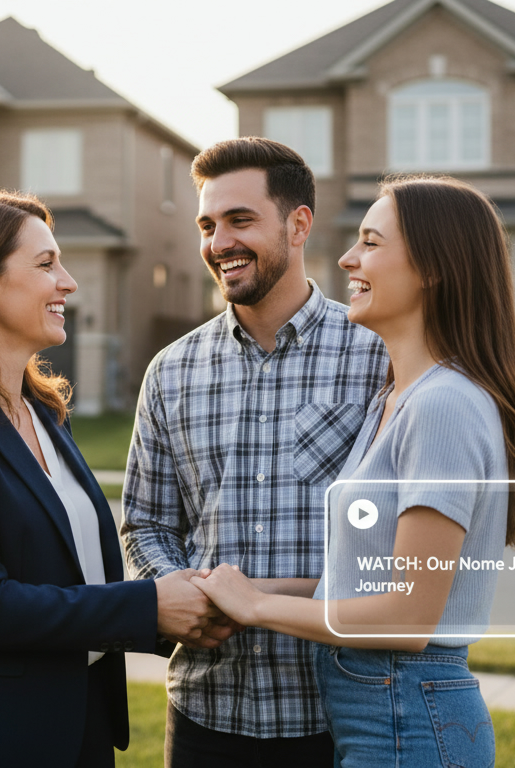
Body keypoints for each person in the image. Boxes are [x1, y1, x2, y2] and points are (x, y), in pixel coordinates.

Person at [191, 175, 515, 767]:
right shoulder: (394, 399)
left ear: (434, 268)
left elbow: (407, 616)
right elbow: (357, 583)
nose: (347, 259)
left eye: (371, 243)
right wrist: (241, 589)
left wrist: (256, 607)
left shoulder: (443, 405)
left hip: (407, 719)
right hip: (383, 715)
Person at [0, 191, 218, 768]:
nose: (69, 282)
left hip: (80, 730)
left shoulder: (45, 413)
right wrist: (149, 606)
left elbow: (74, 575)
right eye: (45, 264)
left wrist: (179, 611)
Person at [121, 138, 388, 767]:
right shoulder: (170, 372)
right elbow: (146, 523)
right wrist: (185, 596)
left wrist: (254, 599)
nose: (219, 243)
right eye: (207, 226)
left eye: (240, 220)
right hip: (205, 713)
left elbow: (397, 542)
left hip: (339, 716)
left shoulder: (377, 354)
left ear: (299, 225)